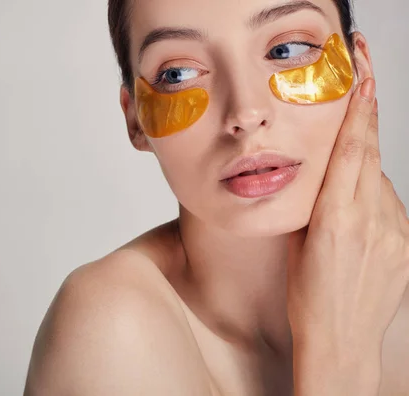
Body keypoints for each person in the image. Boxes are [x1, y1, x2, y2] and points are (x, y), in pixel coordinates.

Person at [24, 0, 409, 394]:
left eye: (286, 50)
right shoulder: (109, 327)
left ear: (360, 67)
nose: (245, 112)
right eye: (179, 73)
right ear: (135, 118)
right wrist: (341, 360)